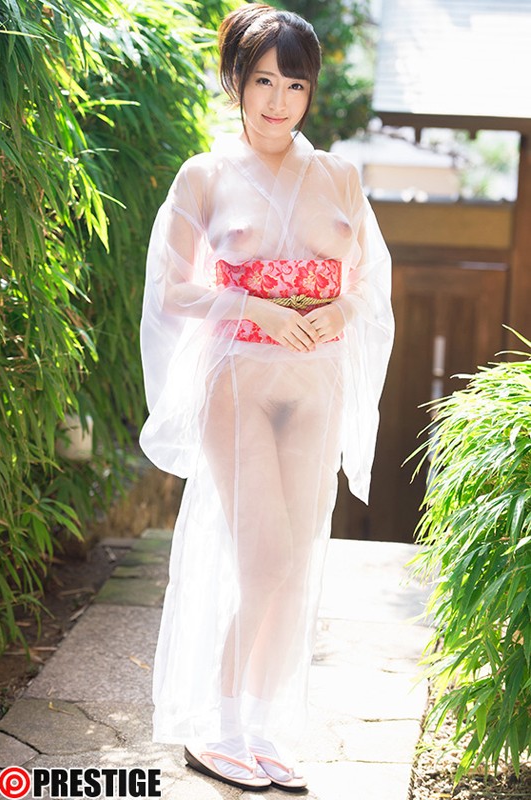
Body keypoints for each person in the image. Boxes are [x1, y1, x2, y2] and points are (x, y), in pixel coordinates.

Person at [139, 3, 394, 792]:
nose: (277, 101)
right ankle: (217, 725)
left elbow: (368, 281)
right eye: (261, 82)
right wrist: (253, 307)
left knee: (296, 558)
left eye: (294, 84)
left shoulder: (339, 177)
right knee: (265, 555)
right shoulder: (204, 176)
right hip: (239, 380)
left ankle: (260, 726)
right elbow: (170, 289)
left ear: (311, 91)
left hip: (316, 380)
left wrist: (339, 311)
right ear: (236, 84)